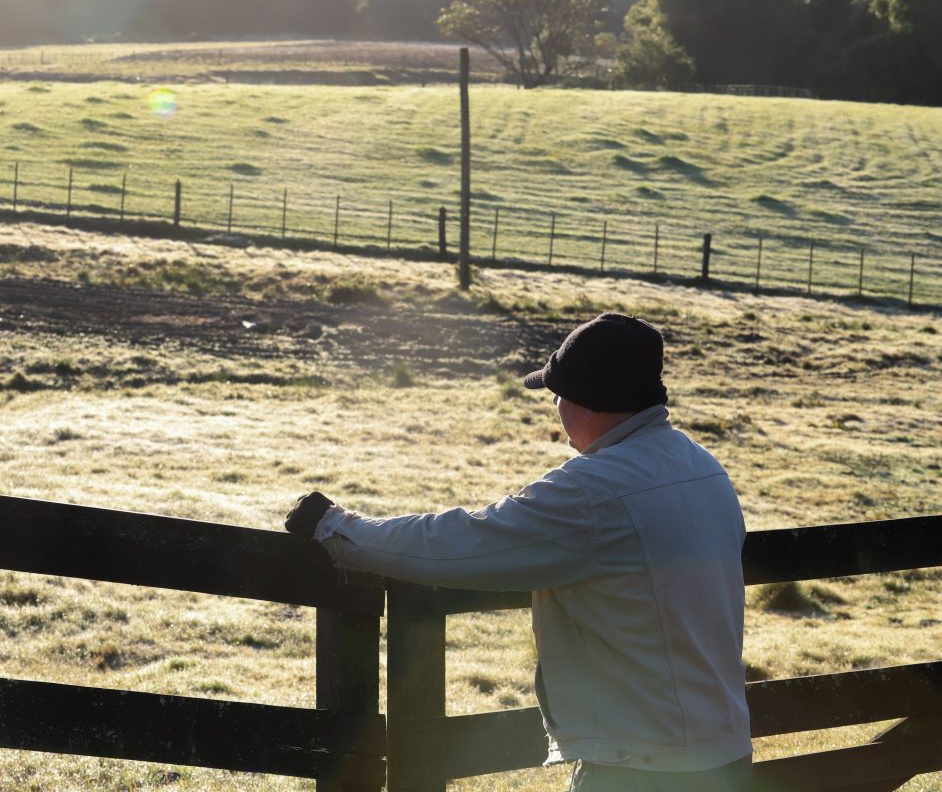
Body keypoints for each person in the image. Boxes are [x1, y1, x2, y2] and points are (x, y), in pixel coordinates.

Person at [285, 312, 752, 792]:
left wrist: (340, 528)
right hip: (727, 754)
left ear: (586, 403)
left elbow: (460, 543)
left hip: (639, 765)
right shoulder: (705, 469)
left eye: (558, 393)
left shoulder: (593, 492)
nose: (554, 403)